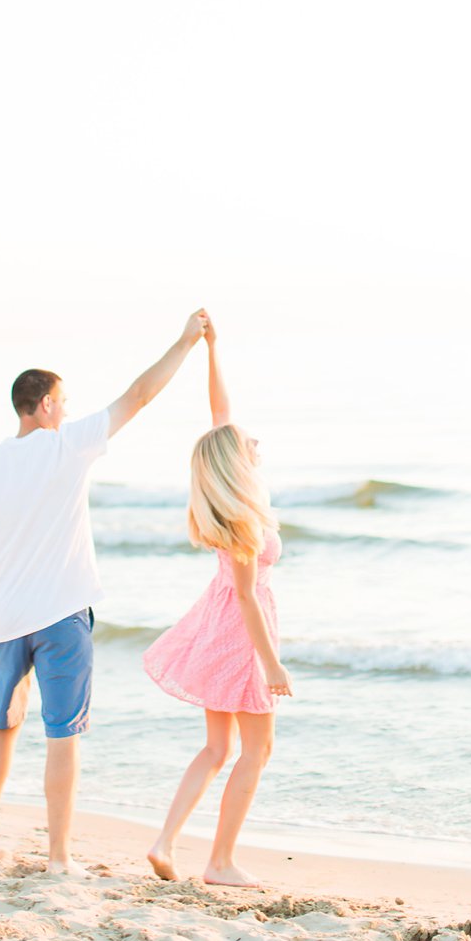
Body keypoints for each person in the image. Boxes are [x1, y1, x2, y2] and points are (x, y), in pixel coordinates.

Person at [0, 310, 209, 874]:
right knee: (62, 734)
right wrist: (186, 340)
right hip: (63, 615)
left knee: (1, 722)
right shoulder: (67, 445)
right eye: (63, 400)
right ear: (44, 404)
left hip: (5, 617)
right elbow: (140, 395)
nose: (68, 408)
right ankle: (59, 858)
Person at [143, 314, 293, 887]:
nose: (255, 441)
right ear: (236, 461)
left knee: (216, 748)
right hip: (242, 635)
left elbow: (219, 415)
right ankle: (220, 862)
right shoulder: (245, 520)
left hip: (216, 626)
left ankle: (164, 842)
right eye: (248, 441)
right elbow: (251, 600)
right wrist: (272, 663)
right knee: (257, 749)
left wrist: (211, 349)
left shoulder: (227, 503)